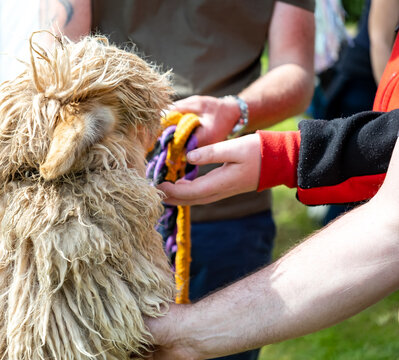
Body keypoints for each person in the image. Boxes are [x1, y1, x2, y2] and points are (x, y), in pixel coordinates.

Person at [40, 3, 315, 359]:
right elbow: (56, 64)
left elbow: (294, 70)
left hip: (229, 207)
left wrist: (235, 111)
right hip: (102, 211)